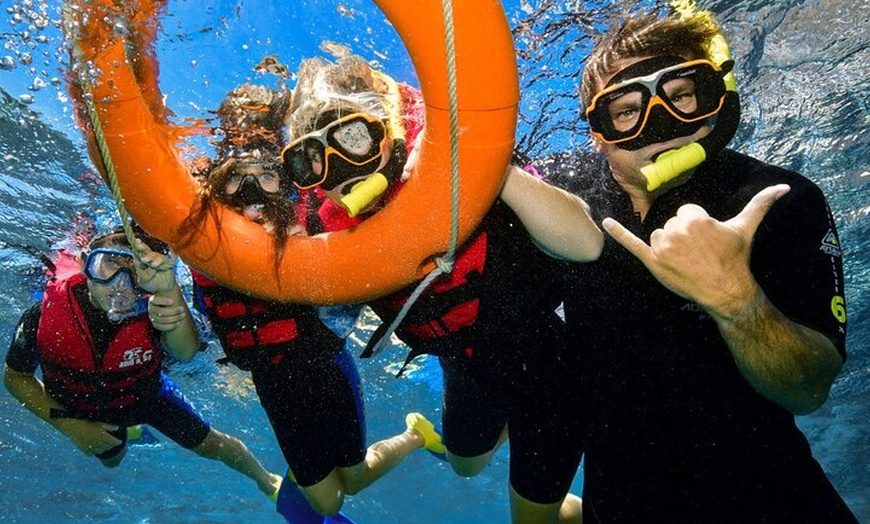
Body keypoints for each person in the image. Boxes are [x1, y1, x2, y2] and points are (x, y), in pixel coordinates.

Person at [526, 6, 858, 523]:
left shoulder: (775, 199)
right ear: (598, 131)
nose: (661, 125)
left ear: (710, 102)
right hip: (619, 505)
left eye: (681, 95)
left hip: (769, 500)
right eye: (626, 110)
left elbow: (809, 389)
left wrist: (736, 300)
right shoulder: (558, 191)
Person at [281, 55, 603, 524]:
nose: (335, 170)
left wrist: (487, 167)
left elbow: (587, 244)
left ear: (389, 132)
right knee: (465, 467)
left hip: (546, 375)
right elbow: (330, 325)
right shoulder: (321, 227)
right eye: (309, 160)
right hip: (465, 367)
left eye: (352, 139)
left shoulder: (461, 174)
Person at [179, 82, 443, 517]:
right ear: (216, 186)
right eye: (235, 178)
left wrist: (311, 255)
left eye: (266, 176)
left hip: (325, 368)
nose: (252, 192)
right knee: (328, 500)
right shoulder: (204, 249)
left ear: (285, 184)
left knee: (353, 482)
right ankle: (296, 483)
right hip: (272, 383)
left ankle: (416, 434)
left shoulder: (313, 222)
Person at [3, 227, 282, 500]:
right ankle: (129, 431)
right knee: (111, 459)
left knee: (213, 444)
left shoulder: (155, 313)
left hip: (143, 397)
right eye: (109, 263)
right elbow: (15, 377)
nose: (120, 284)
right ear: (84, 263)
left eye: (134, 270)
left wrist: (170, 296)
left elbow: (185, 352)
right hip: (77, 409)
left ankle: (267, 481)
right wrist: (73, 428)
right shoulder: (41, 317)